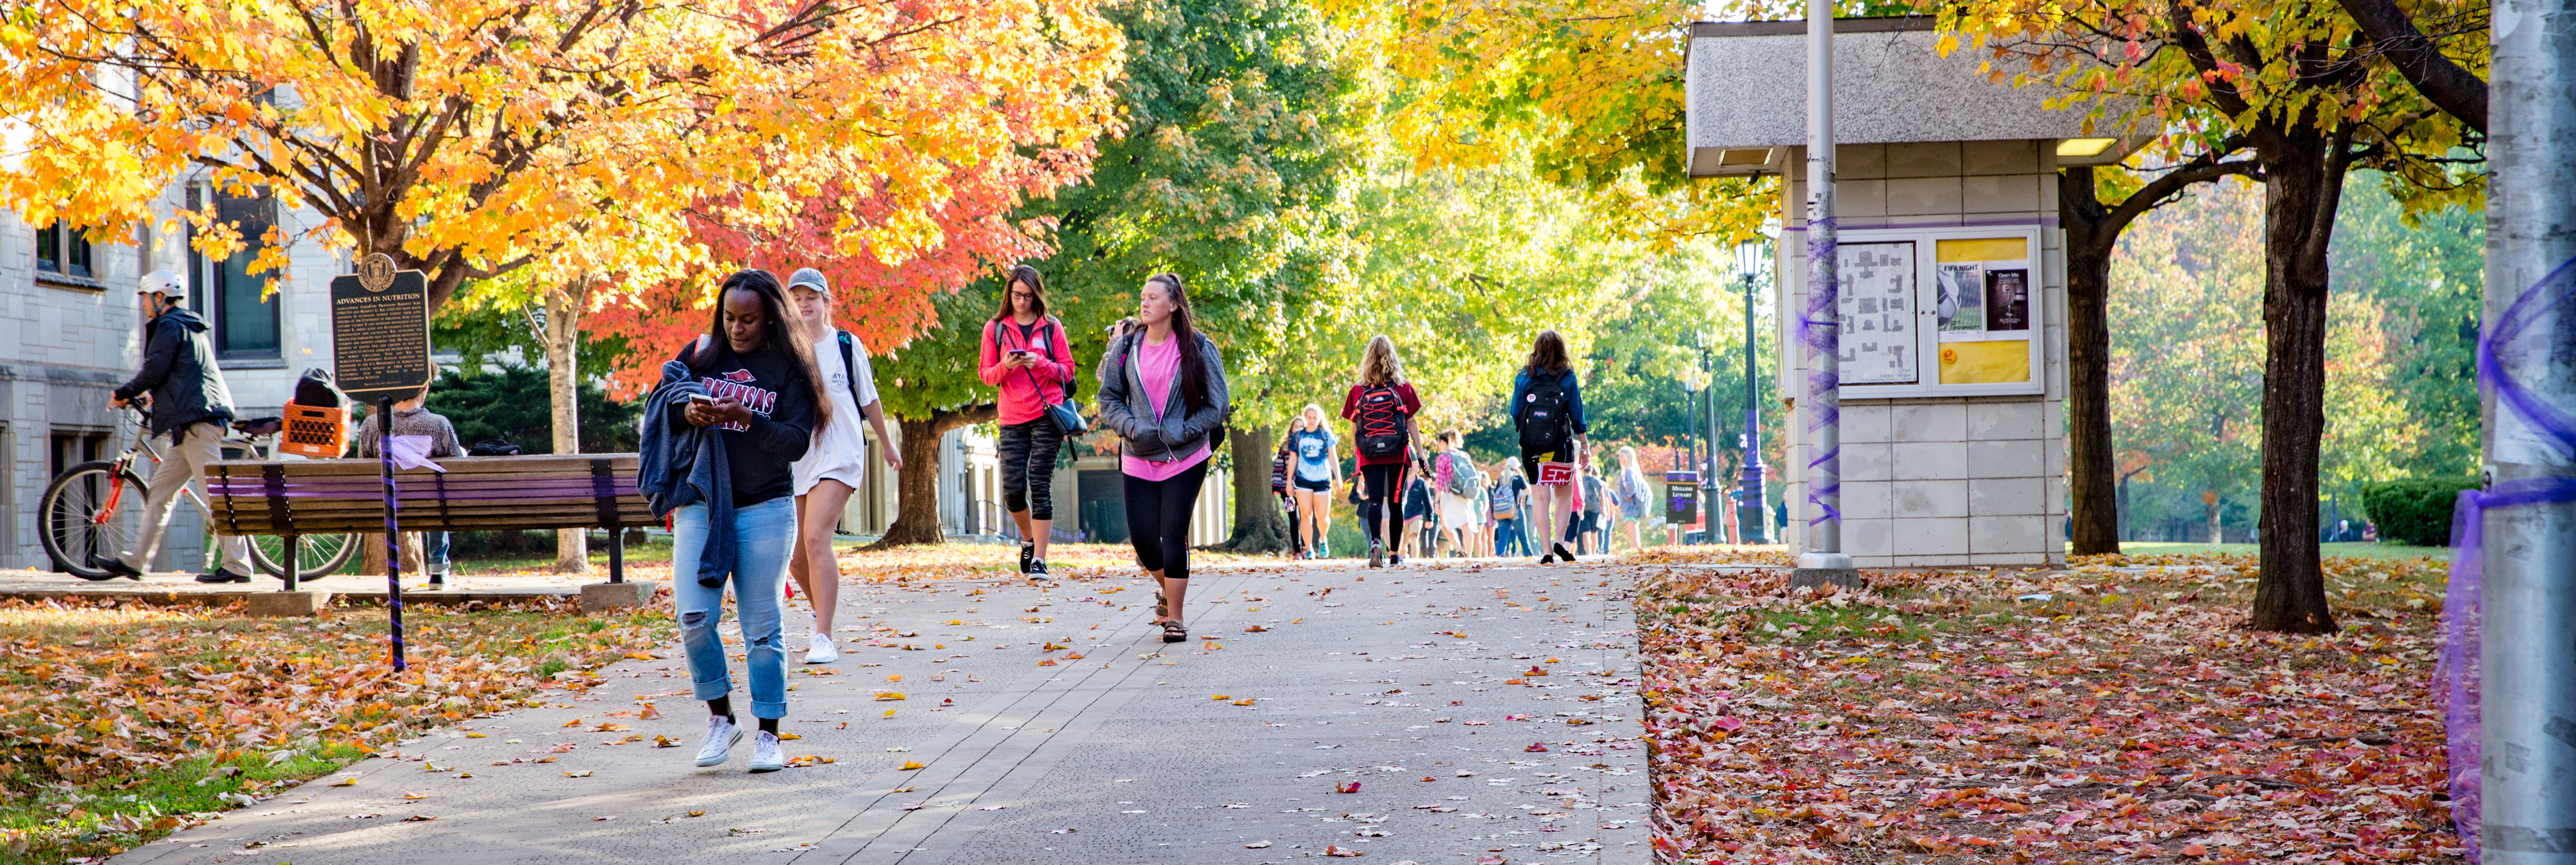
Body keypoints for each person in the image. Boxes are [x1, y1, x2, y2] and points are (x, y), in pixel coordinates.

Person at [640, 269, 821, 774]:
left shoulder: (790, 367)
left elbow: (795, 442)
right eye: (729, 318)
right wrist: (689, 416)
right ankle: (721, 716)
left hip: (766, 507)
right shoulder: (701, 354)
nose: (737, 328)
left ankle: (768, 733)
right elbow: (662, 407)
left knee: (763, 627)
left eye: (749, 320)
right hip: (703, 503)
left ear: (771, 319)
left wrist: (746, 416)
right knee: (693, 618)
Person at [1096, 274, 1230, 644]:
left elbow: (1218, 406)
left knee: (1173, 532)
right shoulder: (1126, 347)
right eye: (1143, 297)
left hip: (1185, 455)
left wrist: (1183, 431)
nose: (1145, 303)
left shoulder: (1198, 348)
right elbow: (1108, 398)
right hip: (1139, 452)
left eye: (1154, 298)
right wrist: (1129, 427)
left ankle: (1177, 617)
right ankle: (1169, 590)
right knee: (1143, 539)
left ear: (1173, 305)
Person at [96, 270, 252, 582]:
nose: (143, 306)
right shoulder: (188, 327)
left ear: (159, 297)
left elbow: (155, 368)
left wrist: (127, 392)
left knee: (215, 497)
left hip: (198, 424)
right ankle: (136, 562)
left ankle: (238, 566)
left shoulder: (169, 325)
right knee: (160, 492)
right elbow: (184, 372)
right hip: (189, 425)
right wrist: (158, 397)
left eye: (145, 298)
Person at [786, 268, 901, 664]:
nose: (805, 304)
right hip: (803, 457)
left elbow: (869, 400)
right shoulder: (784, 350)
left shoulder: (847, 346)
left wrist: (887, 446)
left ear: (827, 303)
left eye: (812, 297)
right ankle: (824, 608)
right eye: (797, 298)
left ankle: (824, 637)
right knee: (798, 558)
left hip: (843, 452)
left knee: (817, 537)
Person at [977, 265, 1075, 583]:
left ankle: (1041, 561)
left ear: (1037, 296)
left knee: (1040, 483)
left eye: (1028, 296)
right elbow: (987, 375)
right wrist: (1006, 366)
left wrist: (1041, 363)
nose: (1022, 301)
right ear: (1009, 294)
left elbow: (1068, 372)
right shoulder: (996, 329)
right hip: (1012, 418)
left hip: (1047, 414)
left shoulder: (1050, 327)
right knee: (1013, 490)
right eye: (1017, 295)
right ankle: (1028, 540)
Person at [356, 373, 464, 584]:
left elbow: (363, 466)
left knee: (431, 496)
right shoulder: (439, 425)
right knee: (437, 496)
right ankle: (439, 570)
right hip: (432, 508)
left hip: (389, 507)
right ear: (424, 388)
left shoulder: (372, 425)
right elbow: (457, 472)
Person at [1340, 335, 1426, 568]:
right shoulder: (1403, 388)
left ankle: (1376, 541)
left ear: (1367, 360)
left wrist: (1359, 464)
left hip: (1369, 454)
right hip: (1398, 453)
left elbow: (1356, 431)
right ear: (1393, 358)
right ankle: (1395, 554)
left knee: (1376, 500)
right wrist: (1421, 454)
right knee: (1396, 502)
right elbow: (1412, 423)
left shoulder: (1358, 391)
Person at [1512, 330, 1589, 564]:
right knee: (1564, 495)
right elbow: (1577, 415)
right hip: (1560, 447)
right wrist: (1584, 445)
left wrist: (1528, 431)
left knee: (1541, 497)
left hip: (1532, 448)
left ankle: (1546, 551)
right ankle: (1559, 540)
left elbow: (1515, 411)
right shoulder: (1568, 378)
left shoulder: (1524, 377)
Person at [1286, 404, 1339, 559]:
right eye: (1309, 418)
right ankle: (1308, 548)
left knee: (1323, 518)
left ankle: (1323, 539)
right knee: (1306, 515)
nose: (1312, 421)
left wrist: (1339, 478)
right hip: (1303, 481)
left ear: (1320, 419)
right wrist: (1289, 482)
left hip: (1323, 480)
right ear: (1305, 417)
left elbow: (1333, 458)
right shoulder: (1298, 436)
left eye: (1315, 418)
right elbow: (1293, 460)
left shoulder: (1326, 435)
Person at [1431, 431, 1479, 558]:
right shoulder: (1464, 455)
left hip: (1450, 495)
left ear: (1443, 442)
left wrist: (1436, 502)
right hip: (1465, 494)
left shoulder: (1443, 458)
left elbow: (1440, 482)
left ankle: (1460, 550)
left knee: (1445, 526)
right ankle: (1468, 555)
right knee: (1466, 525)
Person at [1611, 446, 1652, 554]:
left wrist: (1627, 496)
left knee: (1634, 538)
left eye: (1621, 456)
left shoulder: (1629, 471)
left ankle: (1637, 558)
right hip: (1631, 508)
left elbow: (1632, 485)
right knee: (1634, 537)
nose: (1619, 458)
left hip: (1630, 509)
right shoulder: (1631, 471)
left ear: (1627, 458)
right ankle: (1638, 557)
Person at [1487, 458, 1526, 557]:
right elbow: (1528, 491)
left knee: (1502, 539)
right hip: (1515, 511)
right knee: (1523, 538)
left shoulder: (1501, 480)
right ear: (1516, 467)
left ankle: (1500, 558)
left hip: (1502, 512)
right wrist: (1521, 476)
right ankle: (1529, 556)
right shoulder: (1518, 478)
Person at [1579, 462, 1607, 554]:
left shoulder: (1581, 481)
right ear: (1592, 470)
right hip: (1596, 510)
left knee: (1586, 533)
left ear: (1583, 471)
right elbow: (1603, 497)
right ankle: (1594, 554)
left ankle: (1589, 553)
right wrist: (1603, 509)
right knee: (1594, 534)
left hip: (1584, 510)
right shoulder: (1598, 481)